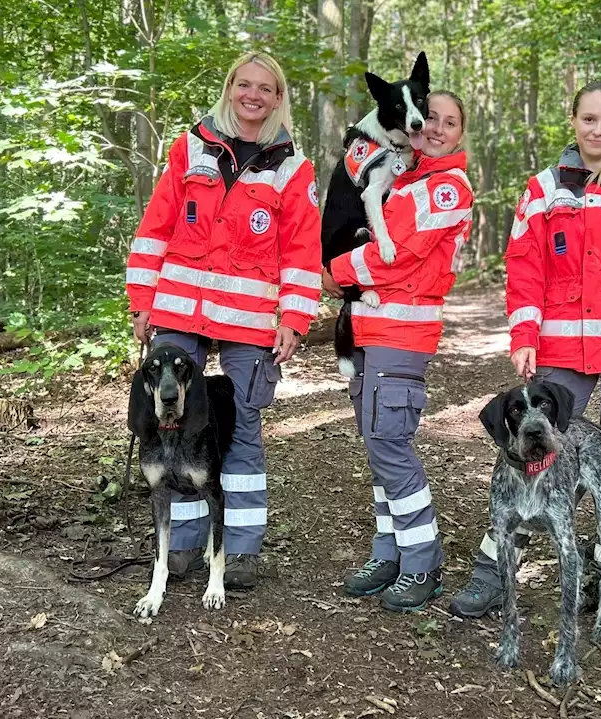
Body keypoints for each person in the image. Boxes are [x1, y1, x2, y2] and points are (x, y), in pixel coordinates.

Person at [447, 81, 601, 628]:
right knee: (528, 457)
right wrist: (524, 337)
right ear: (574, 120)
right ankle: (493, 575)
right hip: (562, 350)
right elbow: (526, 267)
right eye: (589, 119)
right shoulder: (542, 189)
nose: (598, 130)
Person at [124, 51, 322, 591]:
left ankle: (240, 550)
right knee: (173, 428)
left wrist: (295, 317)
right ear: (231, 87)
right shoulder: (190, 148)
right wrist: (142, 298)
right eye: (244, 84)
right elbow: (155, 227)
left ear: (279, 99)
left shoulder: (291, 167)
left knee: (243, 432)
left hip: (249, 319)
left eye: (266, 88)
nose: (253, 95)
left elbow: (302, 250)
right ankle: (184, 546)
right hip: (178, 310)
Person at [322, 91, 473, 612]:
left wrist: (333, 274)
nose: (435, 128)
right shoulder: (404, 178)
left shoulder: (447, 188)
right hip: (369, 328)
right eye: (431, 117)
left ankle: (421, 561)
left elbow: (399, 257)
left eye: (449, 123)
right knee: (377, 446)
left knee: (390, 444)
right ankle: (389, 553)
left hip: (401, 336)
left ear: (459, 135)